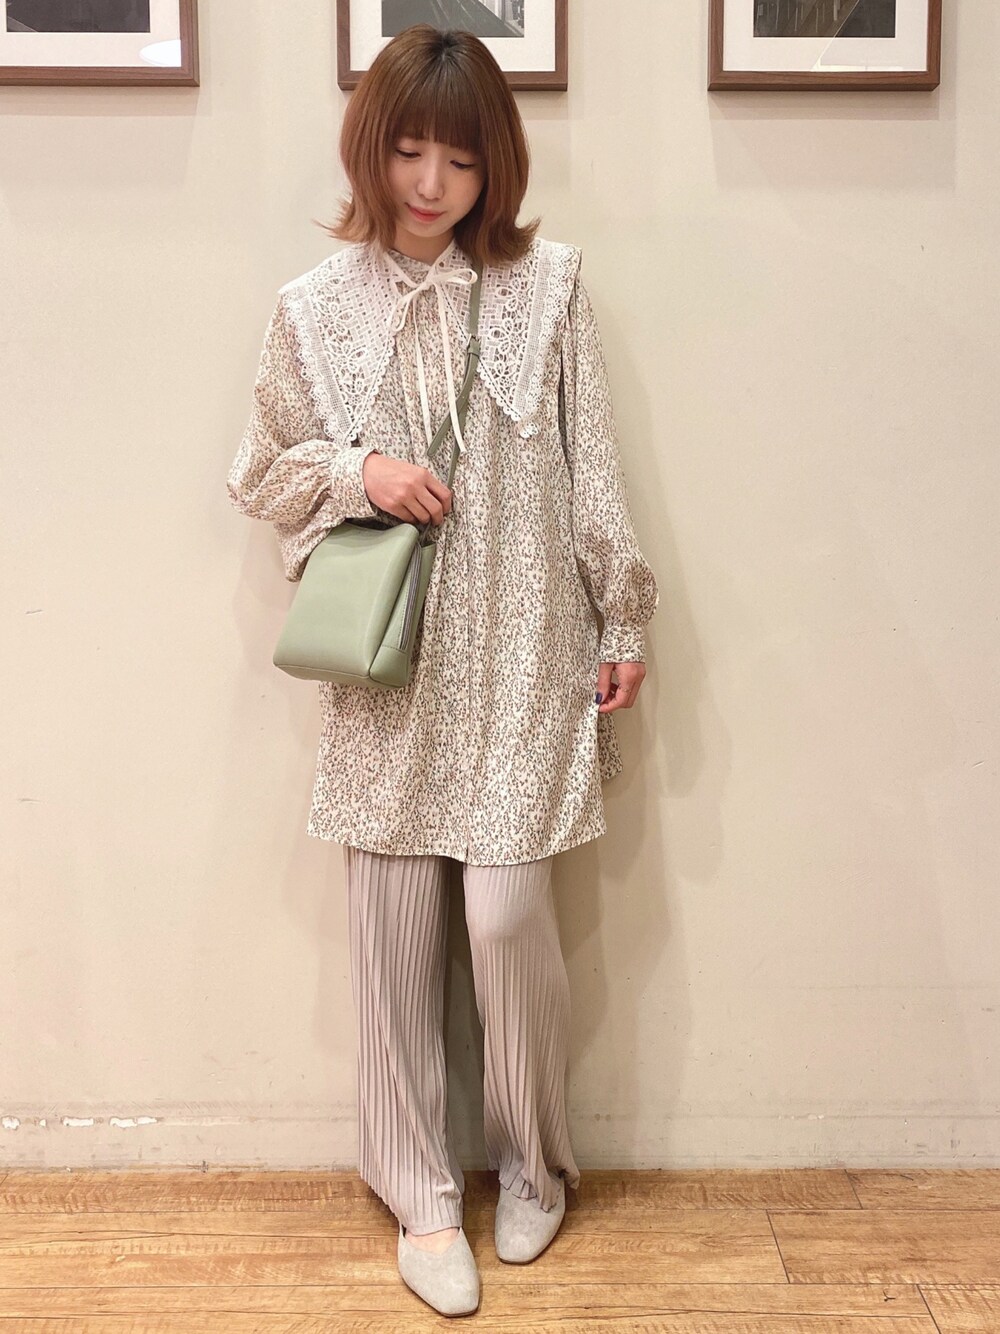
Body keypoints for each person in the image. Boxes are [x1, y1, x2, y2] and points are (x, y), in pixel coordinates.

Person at [226, 24, 659, 1319]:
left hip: (525, 652)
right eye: (409, 151)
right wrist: (359, 471)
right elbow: (260, 470)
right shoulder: (314, 308)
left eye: (460, 161)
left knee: (506, 919)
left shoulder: (552, 287)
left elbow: (592, 460)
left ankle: (534, 1161)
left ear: (495, 167)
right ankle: (419, 1191)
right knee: (394, 937)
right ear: (371, 147)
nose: (430, 184)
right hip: (392, 669)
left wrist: (624, 616)